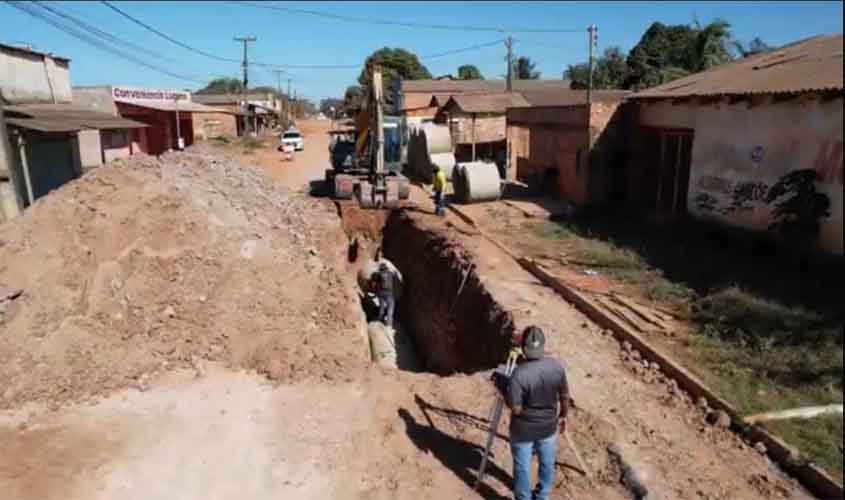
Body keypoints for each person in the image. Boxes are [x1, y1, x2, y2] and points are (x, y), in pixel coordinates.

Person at [505, 326, 569, 500]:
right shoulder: (557, 367)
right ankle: (542, 496)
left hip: (523, 431)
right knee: (547, 464)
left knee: (522, 468)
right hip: (549, 428)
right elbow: (564, 396)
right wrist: (563, 416)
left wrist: (506, 390)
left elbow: (515, 408)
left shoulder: (519, 374)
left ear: (523, 349)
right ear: (543, 346)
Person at [373, 262, 396, 328]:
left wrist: (375, 291)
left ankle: (379, 320)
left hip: (381, 293)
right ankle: (389, 324)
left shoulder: (378, 274)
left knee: (382, 308)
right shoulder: (390, 274)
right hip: (389, 294)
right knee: (390, 309)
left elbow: (374, 283)